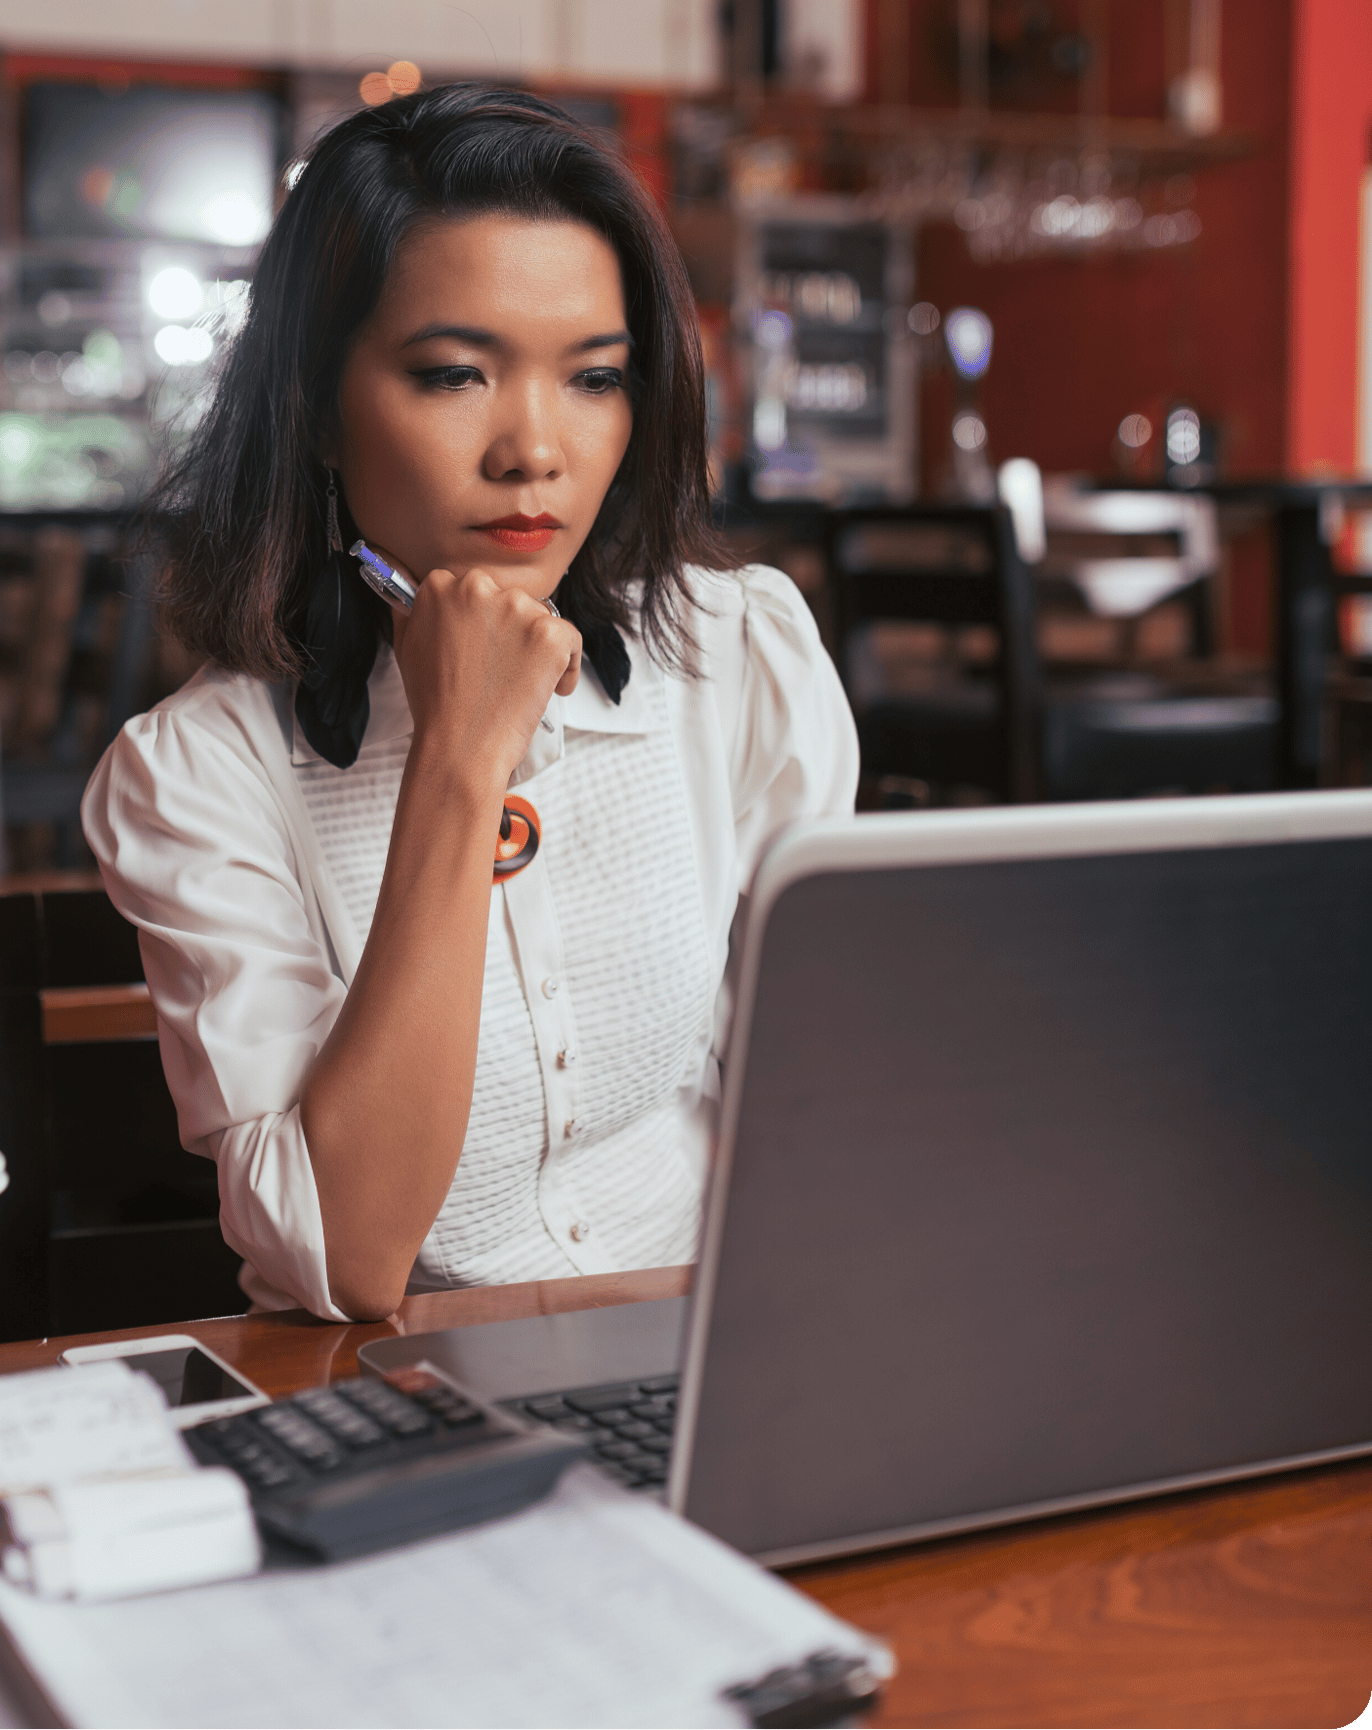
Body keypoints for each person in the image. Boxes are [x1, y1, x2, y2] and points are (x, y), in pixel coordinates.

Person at [83, 84, 857, 1323]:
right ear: (320, 410)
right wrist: (458, 755)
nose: (534, 450)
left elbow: (818, 1092)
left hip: (722, 1358)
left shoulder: (736, 654)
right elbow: (348, 1258)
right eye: (454, 375)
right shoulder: (200, 773)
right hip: (408, 1407)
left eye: (594, 378)